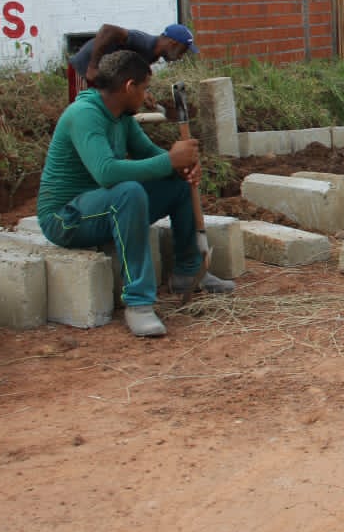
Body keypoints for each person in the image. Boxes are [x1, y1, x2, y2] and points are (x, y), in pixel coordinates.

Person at [37, 50, 233, 338]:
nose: (146, 96)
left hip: (102, 207)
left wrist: (181, 169)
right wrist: (170, 161)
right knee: (129, 192)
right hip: (66, 218)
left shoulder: (122, 117)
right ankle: (138, 303)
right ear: (129, 87)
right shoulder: (85, 115)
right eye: (144, 88)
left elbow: (150, 155)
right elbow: (106, 172)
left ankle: (187, 271)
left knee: (175, 185)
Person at [68, 23, 198, 106]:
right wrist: (92, 67)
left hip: (103, 75)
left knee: (103, 111)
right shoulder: (144, 42)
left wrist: (144, 93)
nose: (181, 56)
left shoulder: (152, 55)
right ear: (172, 44)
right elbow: (107, 30)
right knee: (83, 111)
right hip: (84, 68)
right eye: (183, 51)